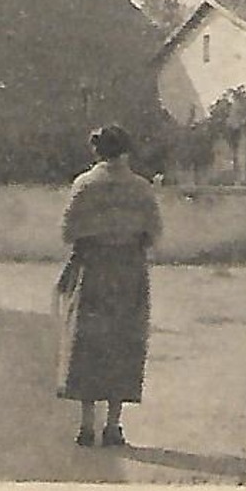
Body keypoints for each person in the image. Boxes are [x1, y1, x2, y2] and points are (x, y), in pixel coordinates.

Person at [56, 124, 162, 448]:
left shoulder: (85, 185)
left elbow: (68, 231)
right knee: (123, 343)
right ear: (126, 151)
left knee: (88, 343)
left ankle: (87, 426)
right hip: (129, 269)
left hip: (94, 269)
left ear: (97, 152)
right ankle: (113, 426)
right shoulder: (142, 189)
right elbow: (154, 232)